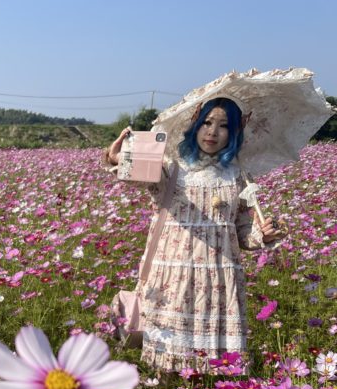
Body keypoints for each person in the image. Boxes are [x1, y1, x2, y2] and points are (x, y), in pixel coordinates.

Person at [104, 97, 286, 373]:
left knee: (213, 364)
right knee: (168, 359)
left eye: (224, 126)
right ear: (195, 125)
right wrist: (118, 158)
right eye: (207, 123)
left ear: (235, 133)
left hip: (219, 278)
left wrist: (263, 235)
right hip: (174, 275)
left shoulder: (238, 176)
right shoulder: (171, 166)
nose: (213, 132)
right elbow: (136, 176)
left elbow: (240, 231)